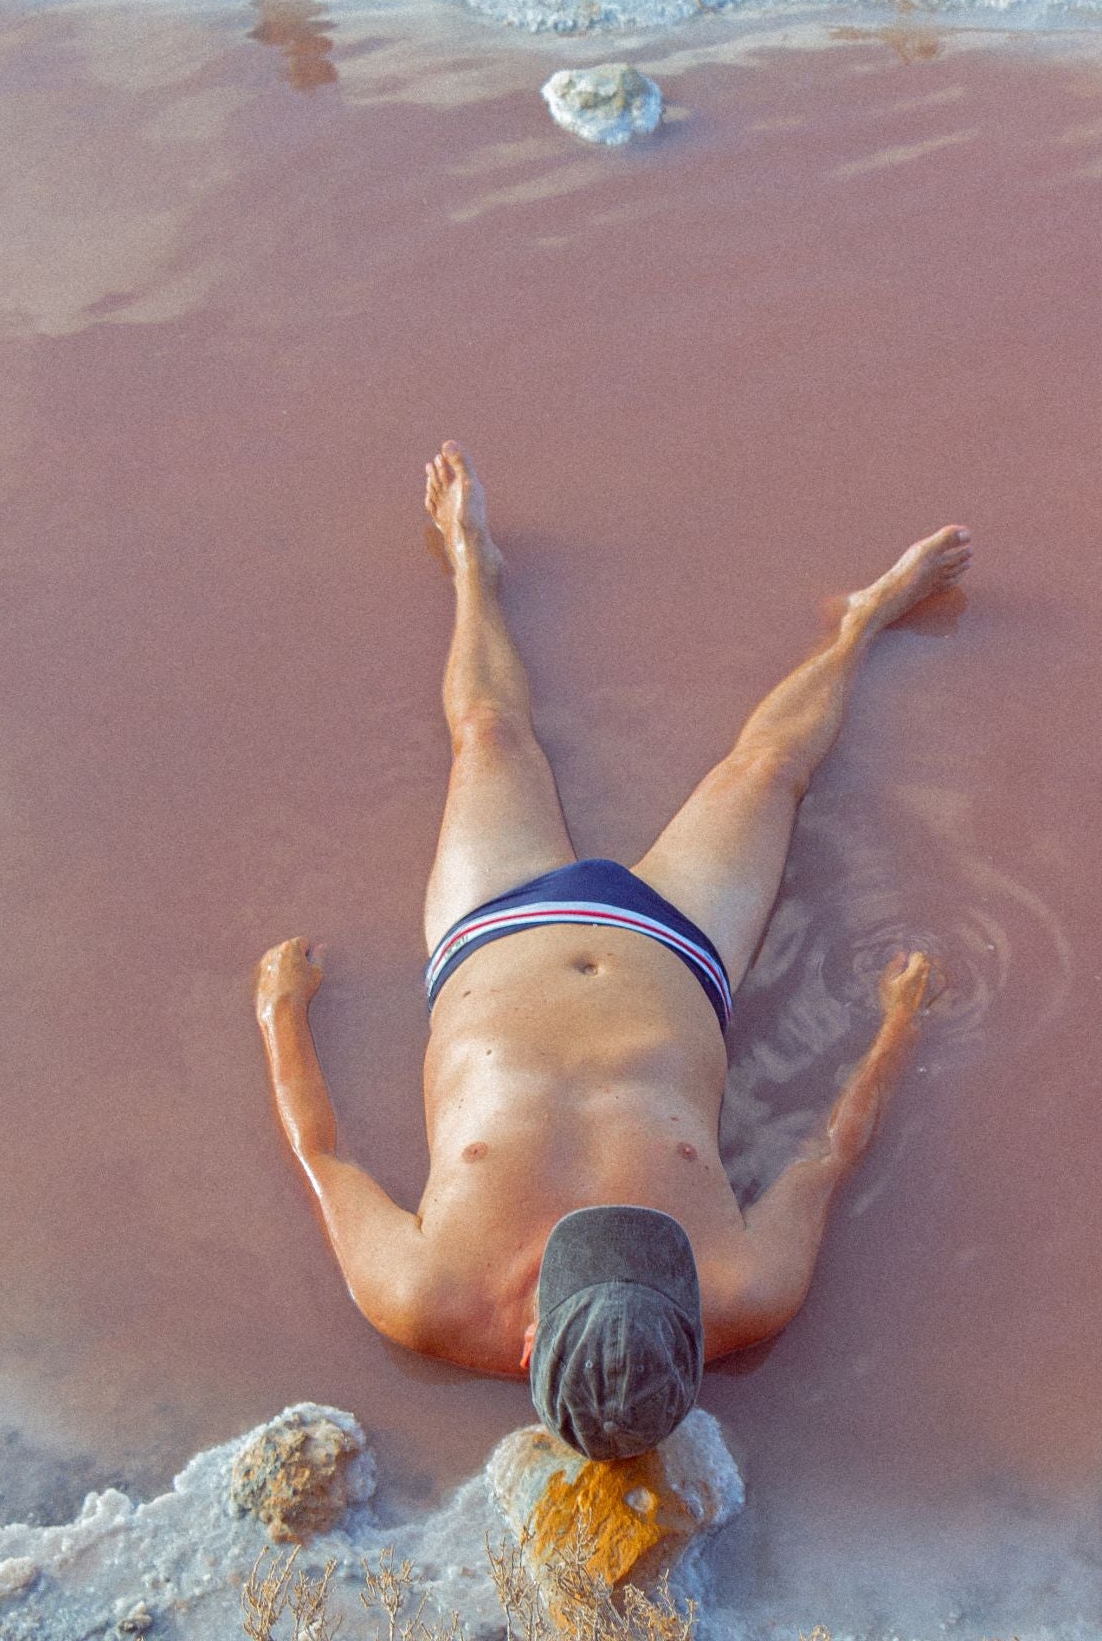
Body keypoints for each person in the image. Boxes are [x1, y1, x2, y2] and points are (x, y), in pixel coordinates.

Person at [255, 444, 971, 1460]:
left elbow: (322, 1157)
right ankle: (858, 623)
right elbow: (830, 1151)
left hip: (491, 932)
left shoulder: (420, 1298)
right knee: (768, 771)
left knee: (489, 733)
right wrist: (899, 1022)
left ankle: (472, 563)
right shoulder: (747, 1295)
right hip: (680, 950)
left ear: (532, 1338)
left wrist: (279, 1012)